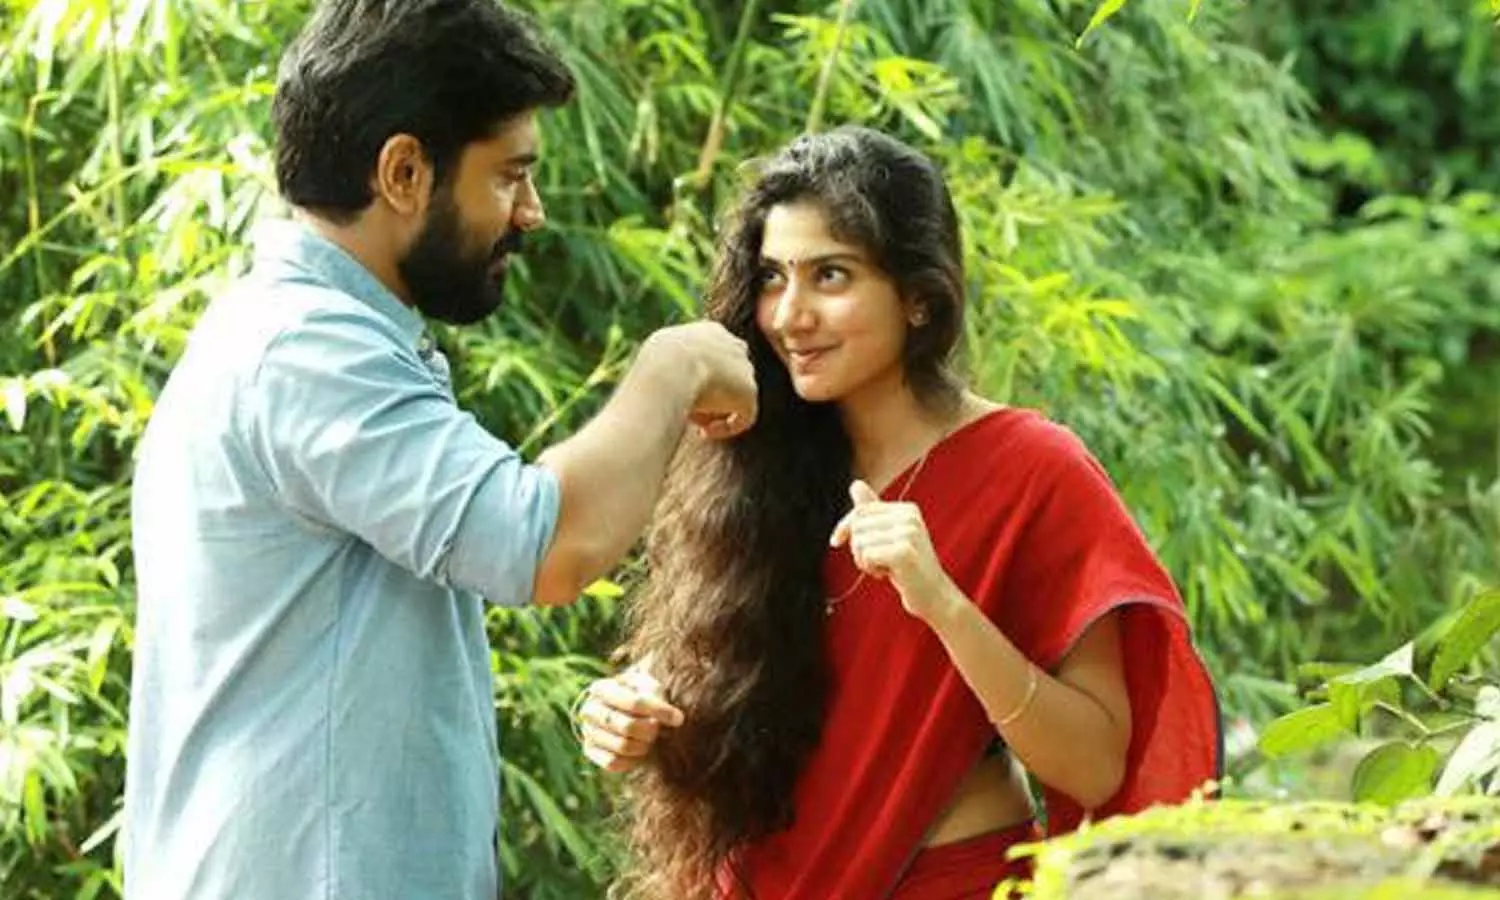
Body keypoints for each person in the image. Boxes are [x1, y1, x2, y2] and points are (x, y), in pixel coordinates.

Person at [122, 2, 757, 899]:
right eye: (510, 176)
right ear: (405, 172)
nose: (531, 213)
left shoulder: (292, 334)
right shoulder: (308, 351)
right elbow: (545, 546)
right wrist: (674, 365)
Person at [574, 126, 1223, 899]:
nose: (789, 315)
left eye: (831, 276)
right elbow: (753, 676)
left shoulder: (1034, 470)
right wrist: (632, 708)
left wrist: (943, 603)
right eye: (774, 277)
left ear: (918, 296)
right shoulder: (749, 458)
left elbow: (1096, 765)